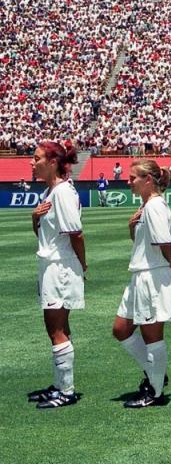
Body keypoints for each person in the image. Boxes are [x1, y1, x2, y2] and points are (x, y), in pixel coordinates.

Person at [112, 159, 171, 408]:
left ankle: (156, 391)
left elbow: (165, 241)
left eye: (133, 177)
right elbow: (146, 242)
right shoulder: (146, 206)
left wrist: (169, 260)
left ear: (148, 180)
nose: (128, 181)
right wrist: (132, 227)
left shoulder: (154, 206)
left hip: (151, 275)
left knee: (152, 334)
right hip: (141, 273)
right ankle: (156, 374)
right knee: (121, 328)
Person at [27, 141, 87, 409]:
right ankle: (60, 384)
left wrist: (82, 265)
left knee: (56, 328)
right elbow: (45, 236)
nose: (32, 162)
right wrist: (34, 219)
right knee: (56, 327)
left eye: (37, 158)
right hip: (52, 263)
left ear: (52, 162)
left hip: (60, 266)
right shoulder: (50, 192)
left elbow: (75, 233)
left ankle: (67, 390)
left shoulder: (62, 192)